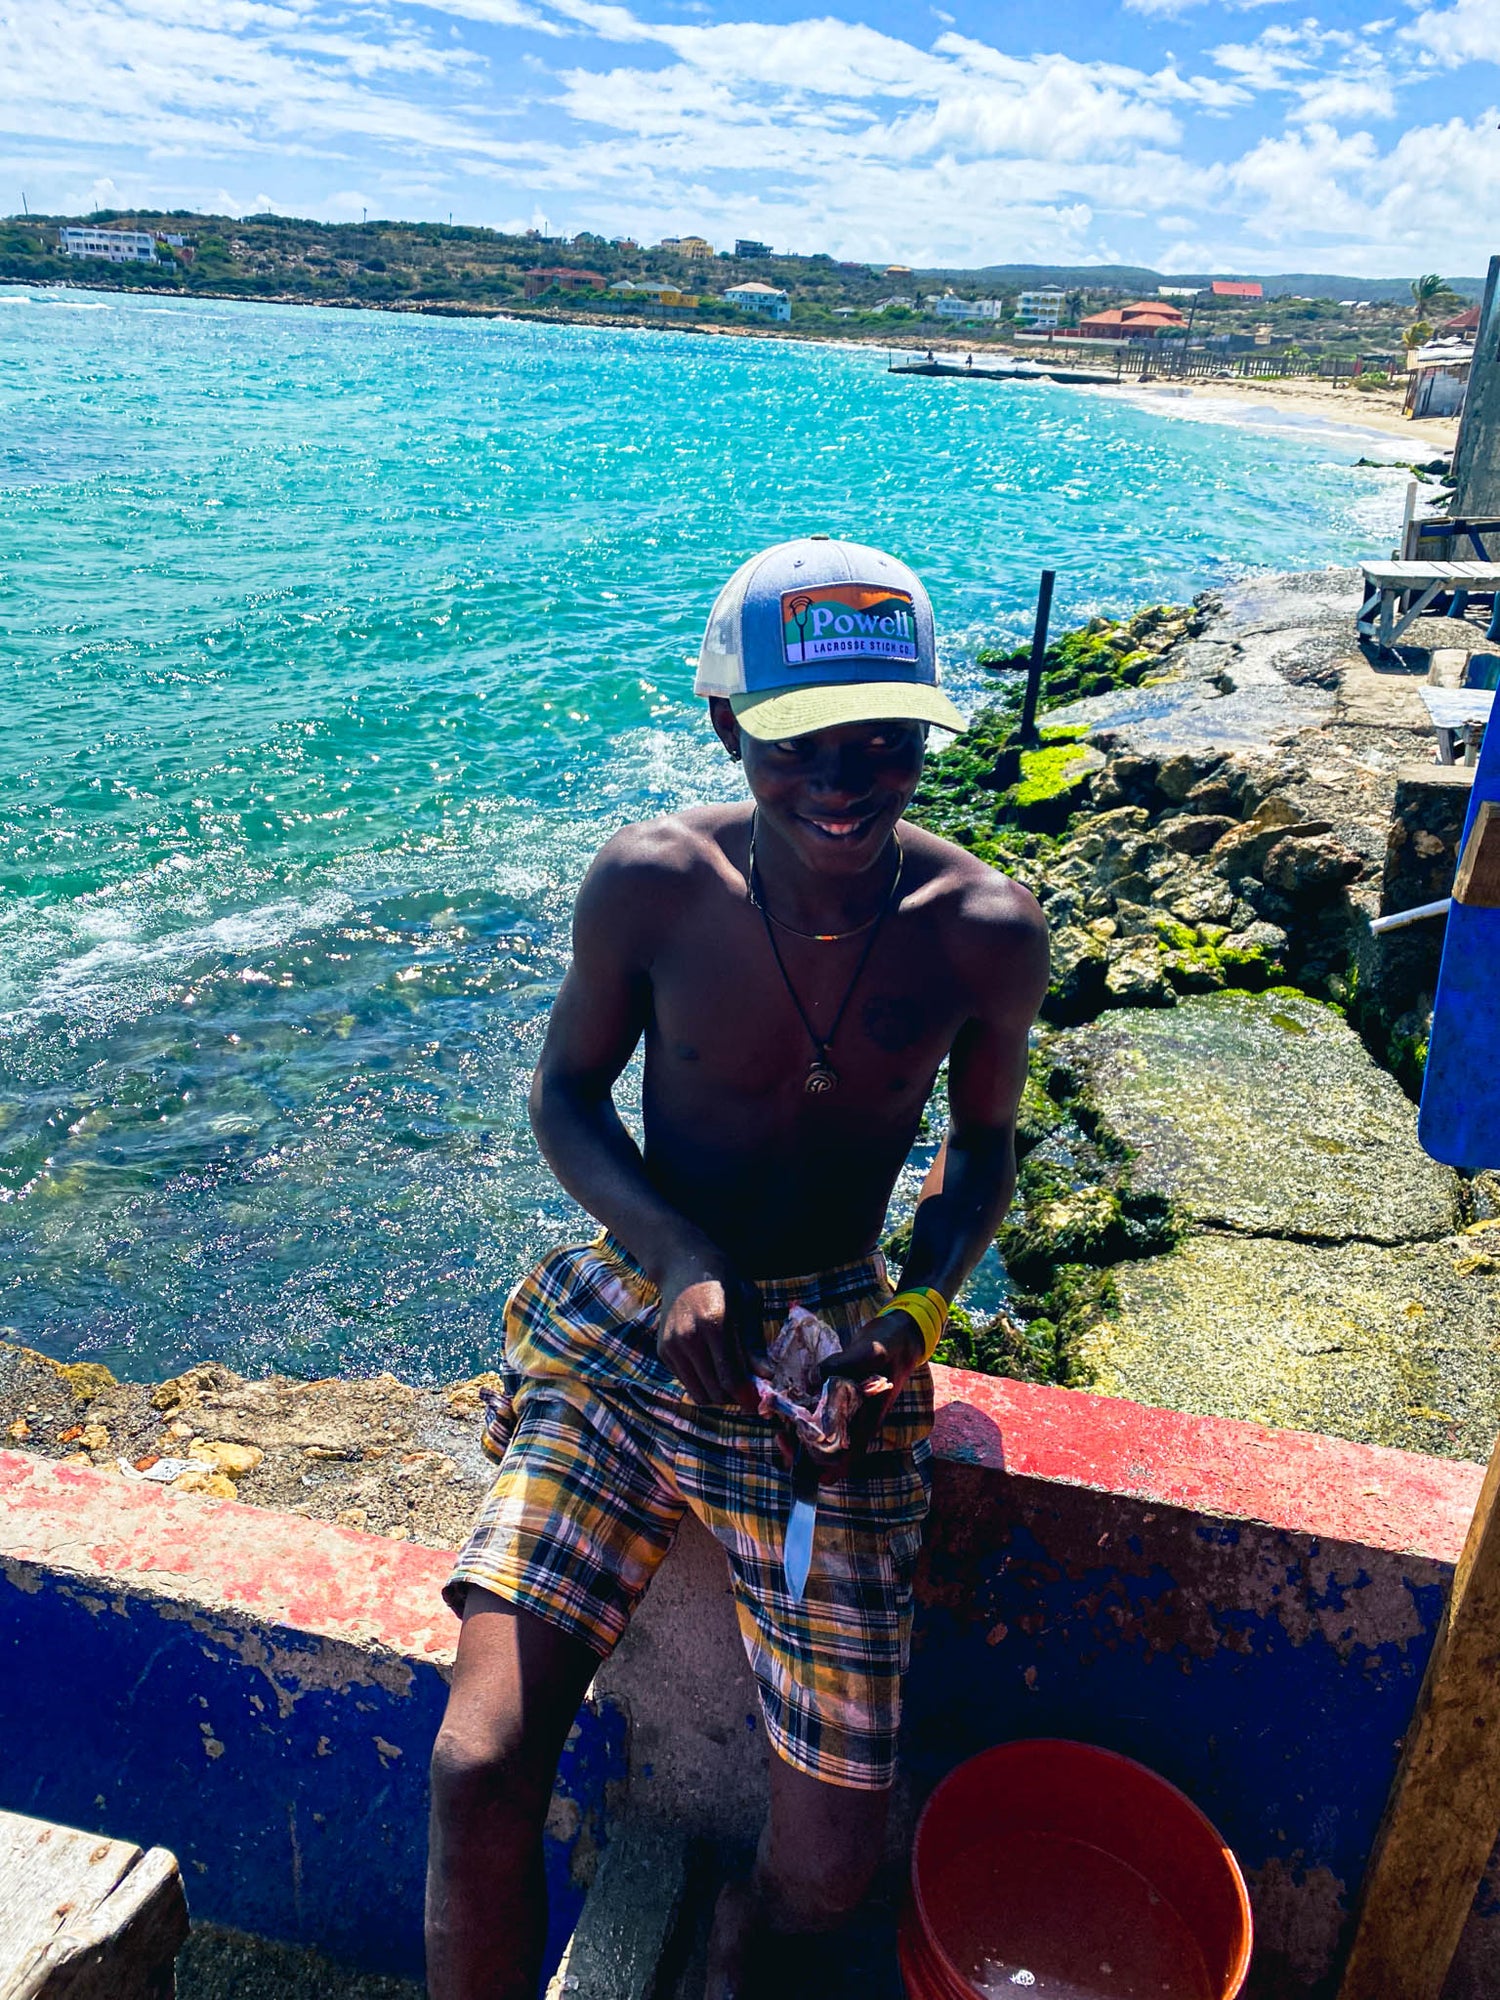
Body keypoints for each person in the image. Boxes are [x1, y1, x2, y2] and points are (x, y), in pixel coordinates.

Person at [425, 535, 1049, 2000]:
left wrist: (912, 1316)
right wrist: (677, 1251)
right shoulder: (653, 883)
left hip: (823, 1367)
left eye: (883, 740)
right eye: (799, 743)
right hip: (639, 1321)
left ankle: (735, 1947)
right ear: (727, 727)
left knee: (829, 1867)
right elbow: (566, 1096)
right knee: (478, 1766)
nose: (844, 779)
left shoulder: (984, 933)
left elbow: (980, 1155)